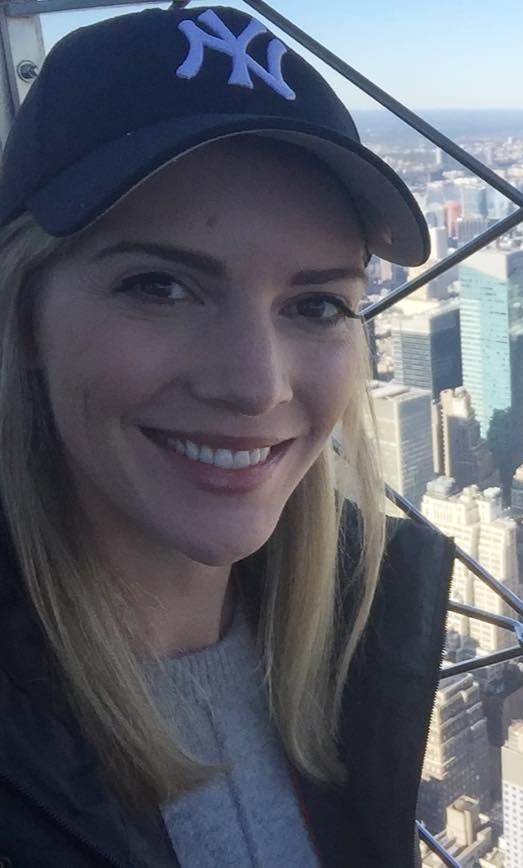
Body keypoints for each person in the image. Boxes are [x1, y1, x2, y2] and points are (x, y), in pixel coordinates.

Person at [0, 7, 456, 866]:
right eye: (158, 286)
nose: (255, 385)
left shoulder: (362, 626)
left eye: (315, 304)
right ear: (24, 317)